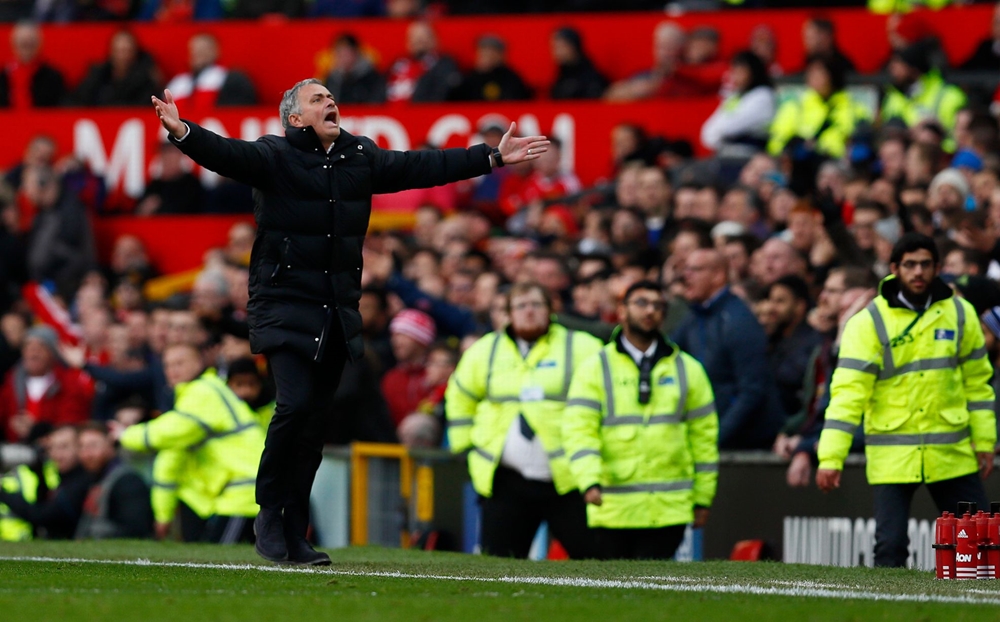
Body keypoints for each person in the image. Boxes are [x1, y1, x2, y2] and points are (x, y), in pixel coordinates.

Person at [151, 76, 548, 564]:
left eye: (331, 97)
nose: (330, 102)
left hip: (335, 311)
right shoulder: (275, 155)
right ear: (295, 118)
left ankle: (294, 533)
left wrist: (488, 157)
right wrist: (183, 132)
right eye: (317, 99)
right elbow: (227, 154)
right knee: (294, 407)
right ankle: (270, 514)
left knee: (315, 425)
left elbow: (422, 166)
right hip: (283, 303)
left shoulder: (359, 155)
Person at [816, 233, 997, 568]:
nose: (918, 272)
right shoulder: (869, 322)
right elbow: (847, 395)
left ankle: (977, 614)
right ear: (894, 268)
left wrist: (985, 440)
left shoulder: (960, 313)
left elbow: (978, 385)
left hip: (950, 450)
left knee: (979, 548)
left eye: (926, 265)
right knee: (891, 546)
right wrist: (831, 457)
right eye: (910, 265)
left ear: (938, 268)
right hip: (894, 453)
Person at [563, 280, 718, 560]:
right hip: (612, 506)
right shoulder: (595, 368)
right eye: (641, 303)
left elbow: (704, 438)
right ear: (621, 311)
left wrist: (703, 498)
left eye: (658, 306)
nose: (650, 311)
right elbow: (579, 429)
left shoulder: (689, 369)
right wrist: (588, 480)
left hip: (668, 509)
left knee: (656, 596)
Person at [445, 281, 602, 558]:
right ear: (508, 313)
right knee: (497, 568)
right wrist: (464, 448)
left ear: (551, 310)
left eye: (536, 305)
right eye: (521, 306)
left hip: (567, 481)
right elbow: (459, 397)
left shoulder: (583, 347)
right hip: (506, 482)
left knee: (596, 562)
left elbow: (605, 397)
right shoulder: (485, 351)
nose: (529, 312)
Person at [113, 343, 264, 546]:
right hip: (246, 490)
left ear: (199, 362)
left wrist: (126, 434)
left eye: (180, 363)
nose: (173, 370)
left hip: (244, 491)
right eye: (167, 365)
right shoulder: (203, 391)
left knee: (223, 566)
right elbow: (172, 456)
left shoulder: (201, 391)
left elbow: (171, 432)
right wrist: (164, 513)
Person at [672, 249, 783, 449]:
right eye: (685, 269)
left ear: (718, 275)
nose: (685, 277)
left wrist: (715, 438)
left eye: (695, 270)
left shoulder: (737, 320)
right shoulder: (694, 318)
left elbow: (752, 391)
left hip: (744, 445)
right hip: (707, 433)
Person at [0, 325, 92, 443]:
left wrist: (38, 430)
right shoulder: (10, 381)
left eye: (40, 347)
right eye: (28, 347)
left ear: (53, 353)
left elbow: (72, 422)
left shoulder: (68, 383)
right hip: (14, 448)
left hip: (53, 450)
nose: (33, 353)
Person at [768, 55, 870, 160]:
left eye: (820, 73)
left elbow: (863, 132)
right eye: (811, 73)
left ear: (832, 75)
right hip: (804, 164)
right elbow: (778, 141)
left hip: (839, 163)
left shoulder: (850, 104)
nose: (815, 78)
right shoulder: (796, 104)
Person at [0, 425, 91, 540]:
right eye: (51, 448)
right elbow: (44, 505)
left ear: (80, 447)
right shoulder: (65, 478)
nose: (57, 454)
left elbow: (45, 516)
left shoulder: (82, 480)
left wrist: (3, 493)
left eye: (64, 447)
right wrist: (40, 475)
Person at [75, 421, 154, 540]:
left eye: (93, 446)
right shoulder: (93, 477)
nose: (87, 454)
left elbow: (135, 530)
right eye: (82, 446)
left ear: (110, 444)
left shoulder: (128, 481)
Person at [700, 51, 776, 157]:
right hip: (727, 153)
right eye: (734, 71)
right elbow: (708, 131)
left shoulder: (763, 96)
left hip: (752, 154)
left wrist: (719, 134)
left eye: (741, 71)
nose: (736, 76)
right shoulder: (735, 97)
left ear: (753, 72)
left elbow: (729, 127)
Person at [163, 33, 256, 111]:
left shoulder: (232, 78)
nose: (197, 53)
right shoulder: (178, 83)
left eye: (203, 49)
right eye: (194, 49)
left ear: (216, 51)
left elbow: (236, 112)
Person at [385, 21, 461, 103]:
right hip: (387, 113)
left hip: (423, 112)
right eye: (415, 37)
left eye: (424, 37)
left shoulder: (444, 64)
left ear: (435, 39)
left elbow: (441, 94)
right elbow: (380, 89)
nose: (419, 41)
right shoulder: (397, 64)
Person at [449, 34, 531, 102]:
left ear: (501, 55)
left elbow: (518, 101)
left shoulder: (510, 78)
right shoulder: (469, 77)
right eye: (483, 51)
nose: (486, 55)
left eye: (491, 51)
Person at [0, 21, 64, 108]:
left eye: (30, 43)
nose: (26, 48)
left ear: (39, 44)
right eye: (23, 43)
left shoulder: (52, 77)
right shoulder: (3, 76)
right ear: (13, 44)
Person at [548, 26, 607, 101]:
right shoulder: (560, 76)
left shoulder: (591, 79)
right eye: (554, 47)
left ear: (574, 46)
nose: (557, 52)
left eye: (561, 47)